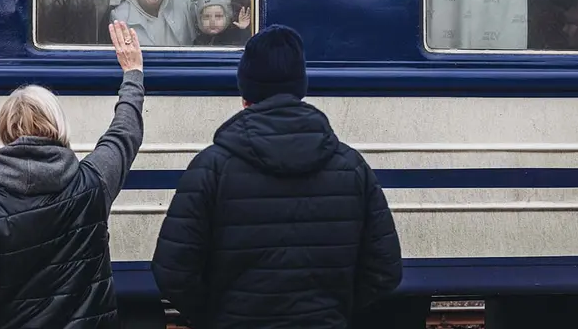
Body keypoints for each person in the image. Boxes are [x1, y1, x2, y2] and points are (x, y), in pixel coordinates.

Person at [151, 25, 403, 328]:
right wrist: (337, 313)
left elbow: (173, 271)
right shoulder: (352, 167)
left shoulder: (210, 168)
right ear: (301, 89)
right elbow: (385, 270)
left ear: (245, 94)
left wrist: (215, 318)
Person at [0, 21, 144, 328]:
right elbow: (125, 131)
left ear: (5, 131)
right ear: (58, 125)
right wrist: (132, 73)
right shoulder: (93, 183)